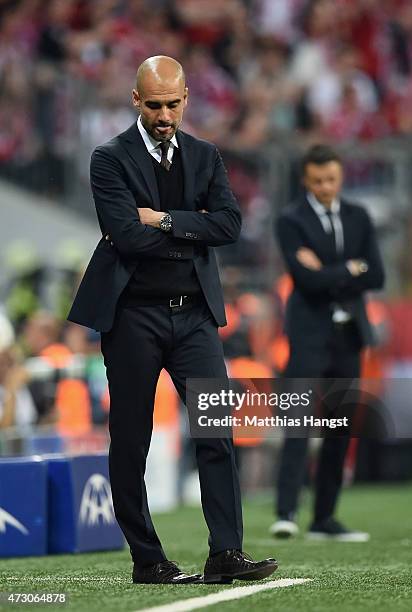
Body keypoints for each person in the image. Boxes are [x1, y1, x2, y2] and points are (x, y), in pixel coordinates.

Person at [68, 55, 277, 585]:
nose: (165, 114)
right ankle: (148, 559)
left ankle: (225, 552)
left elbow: (229, 225)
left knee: (217, 430)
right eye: (155, 105)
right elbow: (124, 233)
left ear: (186, 99)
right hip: (133, 317)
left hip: (194, 319)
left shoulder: (206, 155)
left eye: (173, 103)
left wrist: (161, 220)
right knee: (132, 438)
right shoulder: (108, 158)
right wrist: (192, 228)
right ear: (136, 101)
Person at [270, 144, 385, 541]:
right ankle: (286, 512)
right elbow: (305, 281)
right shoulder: (290, 221)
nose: (325, 187)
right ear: (305, 179)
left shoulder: (359, 217)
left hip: (348, 336)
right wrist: (350, 269)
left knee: (339, 425)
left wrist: (330, 271)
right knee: (297, 422)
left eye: (331, 179)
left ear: (341, 178)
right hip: (307, 335)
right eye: (317, 180)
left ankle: (324, 518)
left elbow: (377, 275)